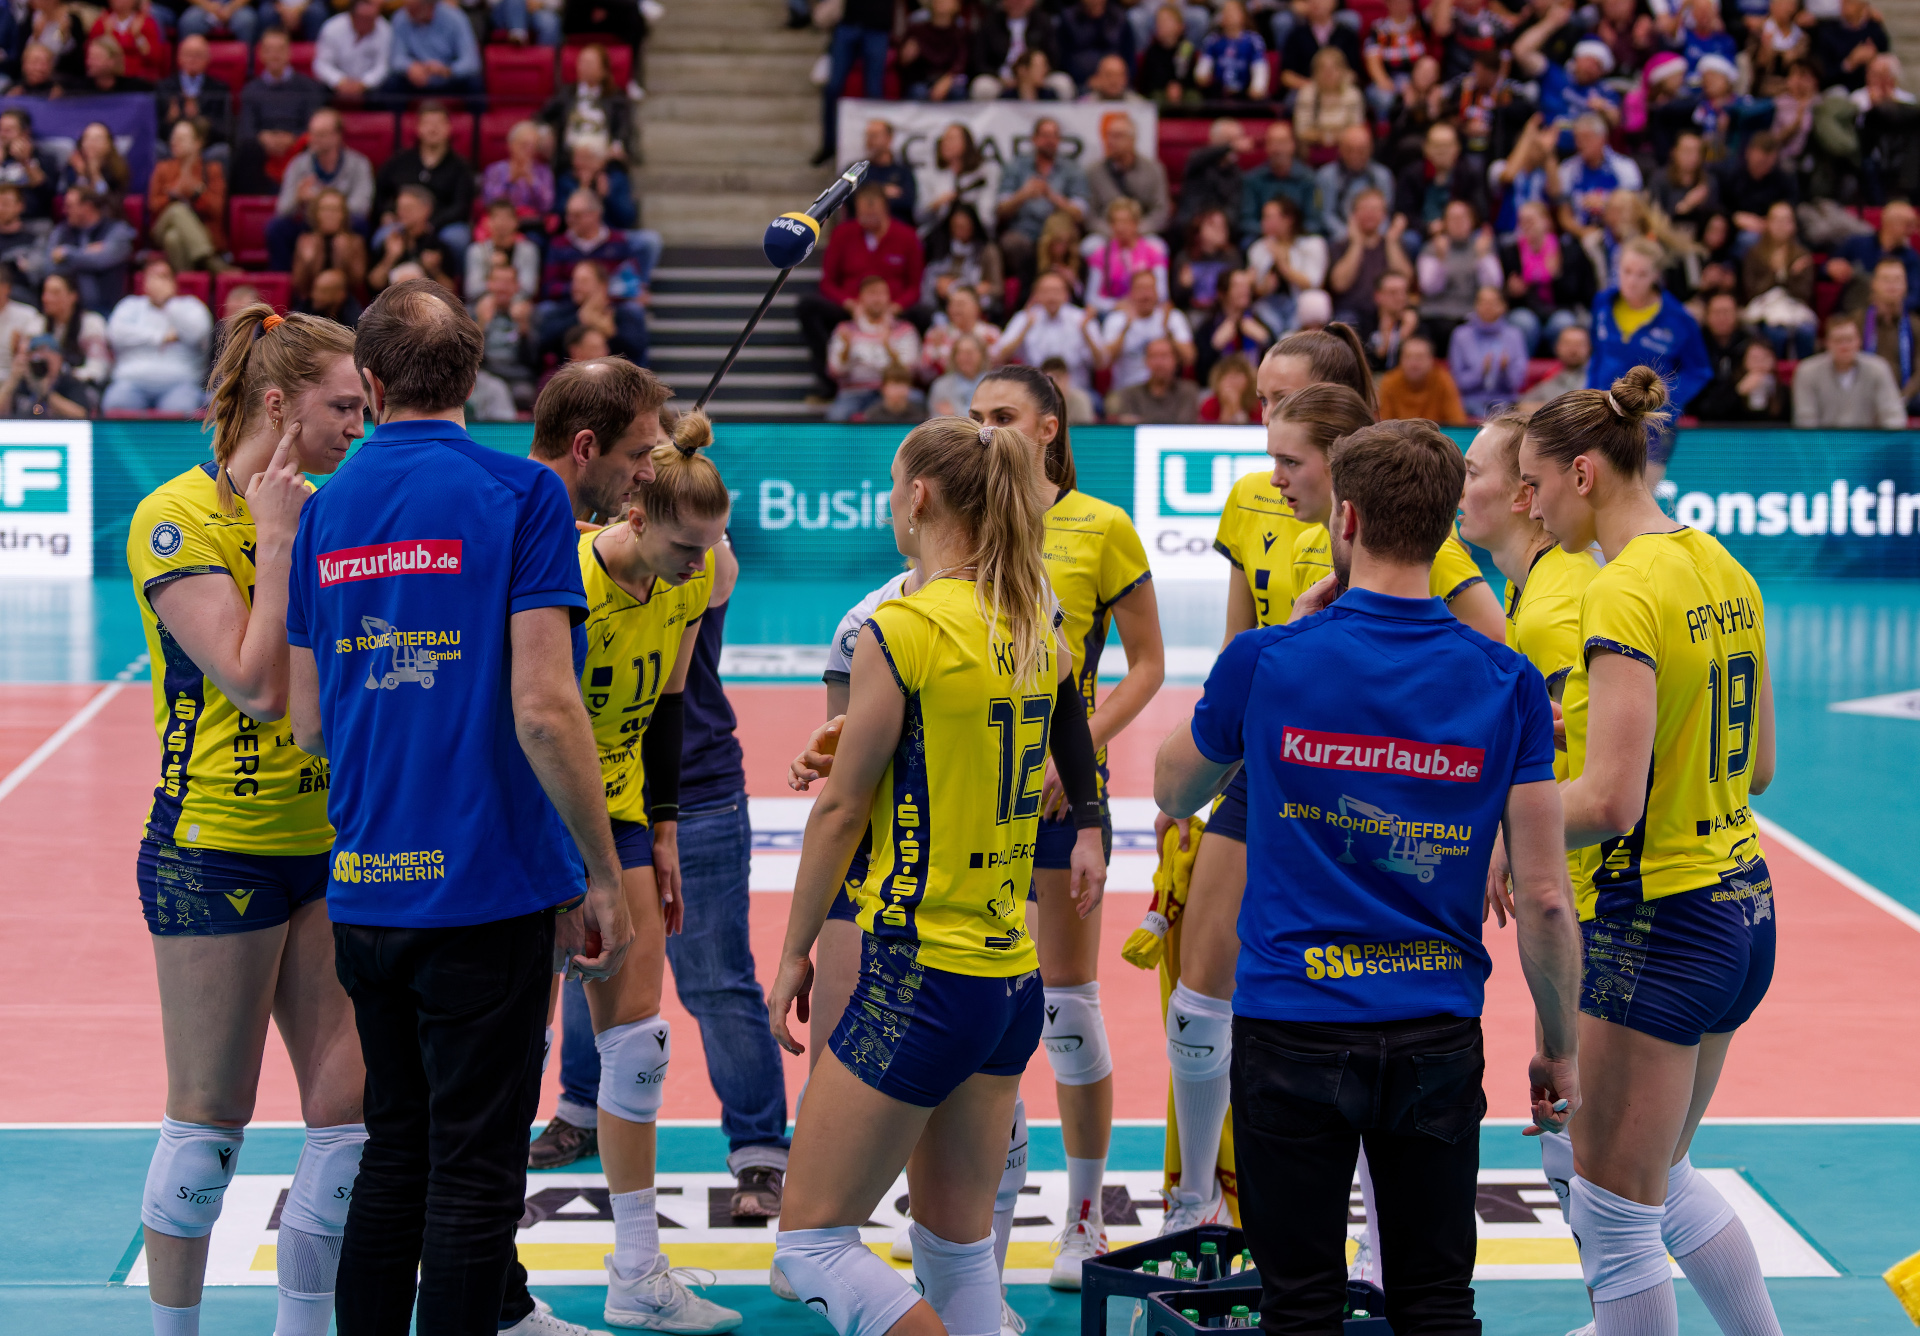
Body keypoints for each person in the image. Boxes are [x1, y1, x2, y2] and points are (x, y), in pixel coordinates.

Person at [1154, 415, 1581, 1335]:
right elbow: (1546, 897)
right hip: (1435, 1031)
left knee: (1300, 1304)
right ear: (1446, 528)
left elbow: (1173, 788)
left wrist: (1285, 646)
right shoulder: (1508, 682)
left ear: (1345, 520)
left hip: (1292, 1026)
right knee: (1436, 1301)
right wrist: (1559, 1045)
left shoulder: (1268, 660)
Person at [285, 280, 633, 1336]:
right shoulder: (521, 493)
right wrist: (600, 872)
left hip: (367, 890)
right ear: (474, 374)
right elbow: (545, 707)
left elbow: (308, 722)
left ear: (372, 382)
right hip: (486, 890)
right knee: (476, 1174)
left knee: (397, 1151)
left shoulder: (325, 509)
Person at [768, 416, 1107, 1336]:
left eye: (893, 486)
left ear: (918, 496)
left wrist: (795, 954)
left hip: (919, 969)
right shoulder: (1034, 623)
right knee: (957, 1250)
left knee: (810, 1247)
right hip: (1006, 977)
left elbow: (840, 812)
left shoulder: (903, 626)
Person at [1518, 366, 1781, 1336]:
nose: (1532, 508)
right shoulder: (1723, 566)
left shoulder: (1620, 589)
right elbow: (1758, 767)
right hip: (1744, 907)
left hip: (1660, 924)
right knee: (1658, 1180)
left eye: (1537, 485)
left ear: (1584, 474)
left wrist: (1489, 818)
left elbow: (1610, 802)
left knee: (1616, 1221)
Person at [126, 302, 366, 1336]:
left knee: (349, 1124)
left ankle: (301, 1327)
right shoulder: (175, 518)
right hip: (213, 850)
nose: (356, 425)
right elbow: (258, 686)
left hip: (332, 849)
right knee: (209, 1126)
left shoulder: (337, 508)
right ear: (278, 405)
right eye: (341, 406)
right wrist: (276, 538)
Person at [558, 408, 746, 1331]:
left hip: (625, 814)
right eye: (685, 547)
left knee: (637, 1044)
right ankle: (476, 1263)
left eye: (709, 547)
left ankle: (636, 1272)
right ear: (633, 516)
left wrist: (664, 830)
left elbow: (670, 704)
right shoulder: (564, 578)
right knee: (503, 1047)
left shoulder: (693, 576)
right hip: (536, 815)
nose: (700, 566)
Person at [1586, 239, 1710, 482]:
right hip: (1603, 414)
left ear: (1656, 275)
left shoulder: (1679, 320)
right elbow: (1597, 354)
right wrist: (1588, 395)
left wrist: (1669, 394)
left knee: (1639, 493)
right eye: (1626, 271)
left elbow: (1699, 370)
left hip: (1651, 424)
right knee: (1597, 488)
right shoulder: (1602, 303)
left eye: (1641, 274)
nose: (1632, 281)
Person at [800, 183, 925, 395]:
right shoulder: (843, 234)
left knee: (925, 315)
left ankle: (912, 381)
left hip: (892, 306)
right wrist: (849, 304)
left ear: (885, 209)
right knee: (808, 307)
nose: (868, 219)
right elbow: (827, 282)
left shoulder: (906, 236)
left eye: (873, 213)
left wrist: (895, 307)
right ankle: (828, 381)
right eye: (863, 214)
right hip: (852, 304)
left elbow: (915, 286)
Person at [269, 110, 376, 273]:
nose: (314, 139)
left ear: (337, 136)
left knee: (361, 225)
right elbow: (282, 209)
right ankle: (283, 279)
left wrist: (327, 207)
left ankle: (354, 280)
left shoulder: (359, 164)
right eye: (312, 133)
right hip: (309, 223)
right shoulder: (298, 164)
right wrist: (298, 198)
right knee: (277, 228)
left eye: (321, 134)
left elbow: (362, 206)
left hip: (344, 224)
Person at [104, 257, 212, 413]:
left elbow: (197, 334)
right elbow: (116, 334)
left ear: (174, 282)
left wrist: (168, 302)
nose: (158, 283)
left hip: (180, 384)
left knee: (180, 409)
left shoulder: (191, 306)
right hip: (130, 382)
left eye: (163, 277)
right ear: (144, 282)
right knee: (116, 403)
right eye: (152, 277)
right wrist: (160, 337)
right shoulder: (129, 305)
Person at [996, 118, 1091, 286]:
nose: (1050, 140)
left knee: (1067, 243)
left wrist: (1051, 196)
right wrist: (1023, 195)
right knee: (1012, 243)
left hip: (1058, 232)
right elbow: (1000, 209)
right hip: (1024, 231)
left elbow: (1079, 213)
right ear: (1034, 139)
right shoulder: (1016, 166)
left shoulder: (1072, 170)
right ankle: (1025, 291)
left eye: (1055, 136)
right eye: (1045, 135)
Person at [232, 32, 329, 195]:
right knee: (247, 148)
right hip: (262, 149)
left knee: (317, 143)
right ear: (261, 54)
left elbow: (314, 125)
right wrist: (263, 138)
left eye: (280, 50)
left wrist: (293, 138)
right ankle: (253, 203)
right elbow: (246, 128)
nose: (274, 55)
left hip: (297, 145)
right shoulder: (251, 90)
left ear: (289, 53)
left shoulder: (309, 87)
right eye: (269, 50)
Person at [374, 100, 475, 254]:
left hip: (443, 225)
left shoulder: (461, 167)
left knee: (457, 239)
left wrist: (432, 223)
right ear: (418, 128)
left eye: (438, 124)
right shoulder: (399, 162)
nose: (433, 129)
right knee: (381, 238)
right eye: (427, 123)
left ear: (449, 128)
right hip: (401, 221)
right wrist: (387, 212)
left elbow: (461, 206)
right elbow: (381, 193)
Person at [826, 274, 921, 422]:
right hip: (855, 392)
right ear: (860, 298)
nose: (877, 299)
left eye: (881, 293)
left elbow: (908, 370)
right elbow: (835, 370)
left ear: (889, 297)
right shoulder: (845, 330)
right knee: (837, 416)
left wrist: (888, 347)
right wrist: (846, 350)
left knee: (918, 401)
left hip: (894, 390)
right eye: (871, 293)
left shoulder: (904, 330)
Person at [1792, 312, 1907, 427]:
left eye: (1849, 339)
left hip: (1868, 438)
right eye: (1838, 340)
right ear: (1827, 343)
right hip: (1823, 438)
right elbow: (1806, 422)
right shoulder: (1807, 372)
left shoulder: (1878, 369)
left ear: (1859, 341)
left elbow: (1893, 416)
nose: (1844, 346)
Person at [147, 120, 229, 277]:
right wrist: (173, 194)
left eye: (182, 138)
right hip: (162, 226)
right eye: (173, 137)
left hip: (203, 229)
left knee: (173, 238)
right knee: (177, 210)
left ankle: (188, 283)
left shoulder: (211, 170)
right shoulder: (163, 168)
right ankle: (208, 259)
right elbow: (153, 206)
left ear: (197, 143)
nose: (174, 142)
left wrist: (196, 192)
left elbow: (217, 210)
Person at [37, 185, 136, 314]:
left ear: (87, 207)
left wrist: (66, 254)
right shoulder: (61, 232)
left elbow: (101, 260)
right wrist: (86, 254)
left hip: (106, 309)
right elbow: (48, 266)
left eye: (69, 206)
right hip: (68, 313)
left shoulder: (117, 230)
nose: (64, 211)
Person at [993, 272, 1096, 394]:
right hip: (1034, 391)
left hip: (1076, 389)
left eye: (1056, 291)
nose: (1051, 296)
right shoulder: (1024, 318)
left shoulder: (1081, 318)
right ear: (1036, 295)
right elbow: (1000, 356)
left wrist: (1086, 332)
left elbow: (1102, 363)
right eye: (1046, 291)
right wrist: (1025, 329)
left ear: (1066, 294)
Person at [1096, 267, 1194, 389]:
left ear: (1157, 292)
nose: (1145, 295)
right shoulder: (1116, 319)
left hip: (1166, 390)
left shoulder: (1172, 317)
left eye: (1149, 289)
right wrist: (1125, 328)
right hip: (1127, 390)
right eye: (1140, 289)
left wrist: (1168, 332)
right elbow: (1105, 362)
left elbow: (1189, 358)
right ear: (1131, 293)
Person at [542, 43, 634, 159]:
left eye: (590, 63)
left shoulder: (617, 99)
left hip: (605, 159)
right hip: (569, 159)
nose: (584, 67)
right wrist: (546, 132)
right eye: (581, 62)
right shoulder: (566, 93)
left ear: (604, 70)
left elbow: (624, 131)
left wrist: (617, 147)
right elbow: (542, 117)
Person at [1085, 116, 1170, 240]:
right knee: (1090, 246)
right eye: (1108, 136)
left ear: (1132, 139)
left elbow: (1161, 210)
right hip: (1107, 234)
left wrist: (1138, 230)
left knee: (1158, 246)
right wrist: (1113, 231)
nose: (1110, 141)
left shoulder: (1153, 170)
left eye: (1117, 136)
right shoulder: (1094, 172)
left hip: (1143, 233)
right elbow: (1090, 215)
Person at [1450, 285, 1530, 417]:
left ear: (1503, 306)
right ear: (1475, 306)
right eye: (1483, 302)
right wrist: (1480, 372)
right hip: (1469, 402)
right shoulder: (1461, 335)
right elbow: (1456, 381)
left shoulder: (1514, 335)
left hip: (1505, 402)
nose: (1487, 307)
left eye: (1493, 303)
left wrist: (1505, 371)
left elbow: (1518, 382)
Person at [381, 0, 483, 103]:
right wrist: (410, 67)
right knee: (392, 83)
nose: (408, 13)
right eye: (407, 7)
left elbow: (471, 62)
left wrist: (447, 70)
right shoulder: (401, 18)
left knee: (474, 83)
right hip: (417, 79)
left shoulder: (455, 18)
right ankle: (393, 115)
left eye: (414, 9)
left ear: (430, 6)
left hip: (448, 78)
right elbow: (396, 58)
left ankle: (478, 115)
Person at [368, 185, 460, 295]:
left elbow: (451, 292)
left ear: (426, 210)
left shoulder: (437, 246)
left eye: (408, 208)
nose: (401, 213)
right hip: (391, 301)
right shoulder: (390, 240)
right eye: (399, 208)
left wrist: (435, 271)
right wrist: (390, 257)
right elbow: (374, 284)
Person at [291, 189, 370, 306]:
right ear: (316, 214)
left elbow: (358, 283)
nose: (330, 215)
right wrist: (308, 261)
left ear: (343, 214)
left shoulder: (355, 242)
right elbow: (299, 286)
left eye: (335, 210)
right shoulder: (305, 241)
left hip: (345, 302)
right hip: (311, 301)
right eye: (325, 209)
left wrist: (344, 257)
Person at [158, 37, 232, 156]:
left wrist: (200, 119)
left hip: (206, 147)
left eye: (198, 55)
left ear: (208, 58)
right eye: (188, 54)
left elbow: (226, 130)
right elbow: (154, 129)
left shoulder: (219, 89)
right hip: (172, 146)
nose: (192, 59)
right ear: (179, 58)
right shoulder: (164, 87)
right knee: (157, 148)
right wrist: (170, 120)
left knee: (221, 151)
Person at [39, 269, 109, 387]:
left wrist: (66, 375)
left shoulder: (91, 323)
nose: (46, 298)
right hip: (47, 387)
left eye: (55, 293)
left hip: (83, 387)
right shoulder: (38, 324)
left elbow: (97, 370)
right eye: (45, 292)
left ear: (73, 296)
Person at [1107, 334, 1200, 423]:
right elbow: (1130, 427)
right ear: (1145, 361)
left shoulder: (1188, 392)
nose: (1159, 363)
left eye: (1164, 356)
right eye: (1153, 356)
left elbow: (1184, 427)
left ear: (1176, 359)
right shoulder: (1131, 395)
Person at [314, 0, 392, 105]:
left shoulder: (385, 30)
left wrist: (363, 84)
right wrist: (339, 81)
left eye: (371, 19)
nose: (366, 23)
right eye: (362, 18)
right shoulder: (332, 28)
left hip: (369, 88)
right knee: (315, 89)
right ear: (352, 15)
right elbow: (322, 64)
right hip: (336, 85)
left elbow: (382, 66)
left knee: (390, 87)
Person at [1378, 334, 1468, 424]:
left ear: (1431, 360)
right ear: (1400, 360)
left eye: (1420, 358)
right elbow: (1384, 424)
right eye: (1408, 357)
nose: (1413, 364)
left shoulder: (1443, 381)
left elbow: (1457, 423)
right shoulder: (1389, 382)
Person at [2, 331, 93, 416]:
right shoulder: (22, 384)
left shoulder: (69, 383)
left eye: (45, 350)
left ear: (59, 358)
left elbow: (81, 415)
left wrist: (46, 394)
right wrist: (12, 380)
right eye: (35, 352)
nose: (40, 355)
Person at [482, 121, 557, 222]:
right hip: (502, 223)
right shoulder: (495, 170)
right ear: (511, 145)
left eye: (533, 146)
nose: (529, 150)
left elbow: (547, 206)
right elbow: (489, 203)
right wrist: (510, 181)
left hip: (533, 224)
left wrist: (533, 182)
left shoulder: (543, 172)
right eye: (524, 145)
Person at [1518, 324, 1593, 412]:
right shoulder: (1551, 379)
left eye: (1579, 344)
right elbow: (1522, 403)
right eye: (1567, 344)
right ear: (1557, 347)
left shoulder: (1598, 378)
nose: (1573, 350)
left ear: (1589, 347)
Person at [928, 332, 988, 416]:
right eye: (960, 353)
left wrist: (955, 413)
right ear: (954, 357)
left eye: (969, 353)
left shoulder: (993, 385)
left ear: (982, 355)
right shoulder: (941, 386)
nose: (965, 358)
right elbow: (938, 420)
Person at [1200, 352, 1259, 423]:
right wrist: (1227, 408)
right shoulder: (1209, 405)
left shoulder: (1257, 405)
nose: (1232, 380)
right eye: (1227, 375)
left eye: (1237, 374)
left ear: (1249, 379)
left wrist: (1236, 407)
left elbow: (1250, 428)